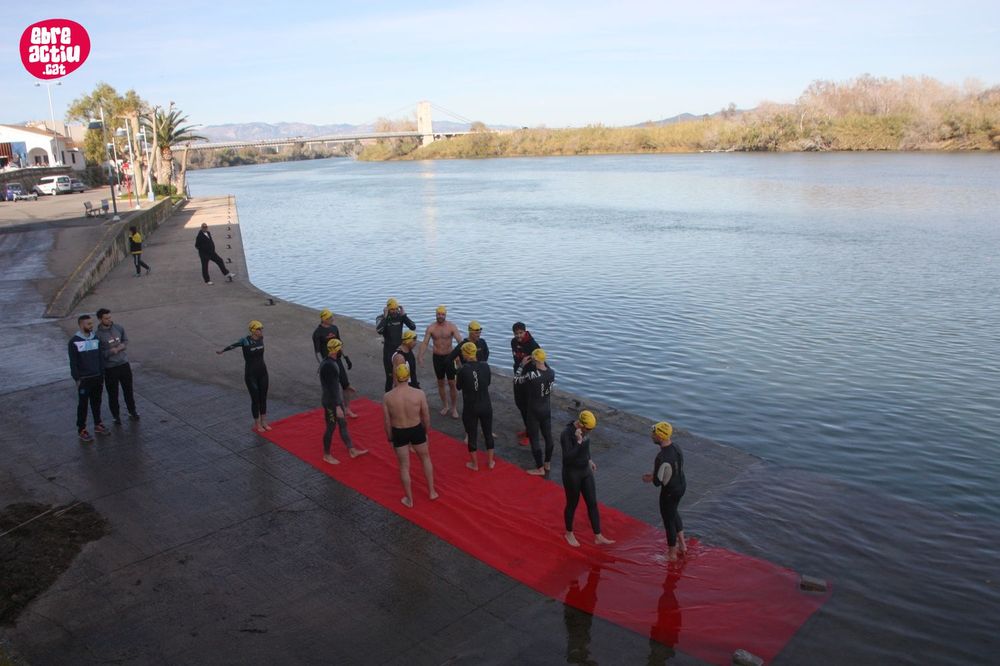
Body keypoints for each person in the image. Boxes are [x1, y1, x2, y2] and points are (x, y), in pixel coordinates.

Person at [383, 363, 438, 507]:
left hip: (399, 431)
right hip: (416, 429)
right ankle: (432, 491)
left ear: (396, 377)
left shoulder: (388, 397)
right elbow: (426, 416)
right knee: (425, 459)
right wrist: (426, 432)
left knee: (404, 466)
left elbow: (387, 421)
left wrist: (390, 437)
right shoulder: (419, 394)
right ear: (408, 377)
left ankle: (409, 499)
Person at [560, 410, 614, 547]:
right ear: (581, 424)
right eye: (588, 429)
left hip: (585, 471)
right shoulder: (566, 433)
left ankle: (598, 536)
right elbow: (567, 459)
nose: (589, 432)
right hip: (572, 473)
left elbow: (586, 447)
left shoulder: (586, 431)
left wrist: (589, 460)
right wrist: (578, 441)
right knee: (572, 504)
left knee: (592, 503)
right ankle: (569, 533)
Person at [642, 421, 688, 562]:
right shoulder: (676, 447)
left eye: (654, 434)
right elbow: (673, 468)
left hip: (669, 492)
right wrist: (655, 475)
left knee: (668, 521)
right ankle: (683, 545)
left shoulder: (661, 457)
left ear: (660, 437)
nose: (651, 436)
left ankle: (672, 554)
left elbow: (657, 482)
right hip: (681, 485)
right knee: (674, 512)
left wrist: (650, 478)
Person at [319, 339, 368, 464]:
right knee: (330, 427)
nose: (342, 350)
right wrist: (337, 406)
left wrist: (346, 387)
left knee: (343, 424)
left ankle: (352, 450)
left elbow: (336, 383)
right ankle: (326, 455)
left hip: (336, 400)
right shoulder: (328, 366)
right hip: (331, 402)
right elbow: (331, 387)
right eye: (341, 348)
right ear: (336, 349)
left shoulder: (332, 362)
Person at [217, 320, 269, 432]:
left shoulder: (261, 338)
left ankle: (264, 422)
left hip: (263, 373)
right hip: (251, 375)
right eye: (258, 329)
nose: (261, 331)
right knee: (255, 400)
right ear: (253, 330)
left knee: (263, 398)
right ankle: (257, 424)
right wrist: (223, 350)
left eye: (261, 329)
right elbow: (233, 345)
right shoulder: (245, 341)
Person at [69, 314, 110, 442]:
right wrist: (77, 379)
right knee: (83, 405)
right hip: (84, 380)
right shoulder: (74, 342)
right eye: (89, 324)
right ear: (81, 325)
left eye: (91, 323)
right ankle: (81, 429)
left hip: (97, 377)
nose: (91, 326)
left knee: (96, 402)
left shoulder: (95, 338)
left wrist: (102, 373)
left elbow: (100, 358)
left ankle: (98, 424)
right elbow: (73, 362)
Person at [95, 308, 140, 425]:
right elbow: (99, 354)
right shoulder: (97, 335)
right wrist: (110, 352)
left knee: (128, 390)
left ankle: (132, 411)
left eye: (110, 317)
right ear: (100, 319)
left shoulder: (118, 328)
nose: (109, 320)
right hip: (110, 368)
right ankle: (116, 416)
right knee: (113, 393)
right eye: (106, 318)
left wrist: (122, 346)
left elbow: (125, 340)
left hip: (124, 364)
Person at [515, 348, 555, 476]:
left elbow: (516, 380)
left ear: (534, 360)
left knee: (534, 439)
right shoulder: (551, 372)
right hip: (546, 409)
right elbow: (545, 370)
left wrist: (521, 365)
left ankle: (540, 468)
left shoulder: (532, 375)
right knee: (548, 437)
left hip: (534, 410)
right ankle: (547, 463)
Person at [456, 342, 495, 471]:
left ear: (465, 354)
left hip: (471, 406)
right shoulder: (485, 366)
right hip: (485, 404)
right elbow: (487, 382)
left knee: (472, 435)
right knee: (488, 433)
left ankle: (475, 464)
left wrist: (458, 367)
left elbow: (458, 387)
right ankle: (490, 462)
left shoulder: (462, 370)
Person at [418, 305, 463, 418]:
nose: (440, 316)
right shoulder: (431, 328)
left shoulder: (451, 326)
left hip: (449, 357)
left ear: (445, 315)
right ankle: (445, 405)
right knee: (440, 382)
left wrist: (461, 356)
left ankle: (453, 408)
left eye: (442, 314)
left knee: (452, 383)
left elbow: (460, 341)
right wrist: (420, 356)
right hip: (437, 357)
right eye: (438, 314)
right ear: (436, 315)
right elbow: (425, 342)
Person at [376, 298, 415, 391]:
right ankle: (389, 397)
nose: (394, 311)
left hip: (401, 350)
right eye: (392, 309)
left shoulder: (400, 316)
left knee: (407, 374)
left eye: (396, 309)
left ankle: (409, 394)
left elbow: (413, 327)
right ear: (387, 309)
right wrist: (385, 317)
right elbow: (379, 330)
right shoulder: (381, 318)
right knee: (390, 378)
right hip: (389, 351)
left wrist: (404, 315)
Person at [510, 322, 540, 444]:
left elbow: (541, 362)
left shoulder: (533, 345)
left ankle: (531, 434)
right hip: (518, 376)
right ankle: (528, 429)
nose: (518, 336)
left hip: (529, 380)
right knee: (520, 404)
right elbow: (516, 360)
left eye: (521, 333)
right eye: (516, 333)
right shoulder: (513, 342)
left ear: (525, 331)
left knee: (529, 407)